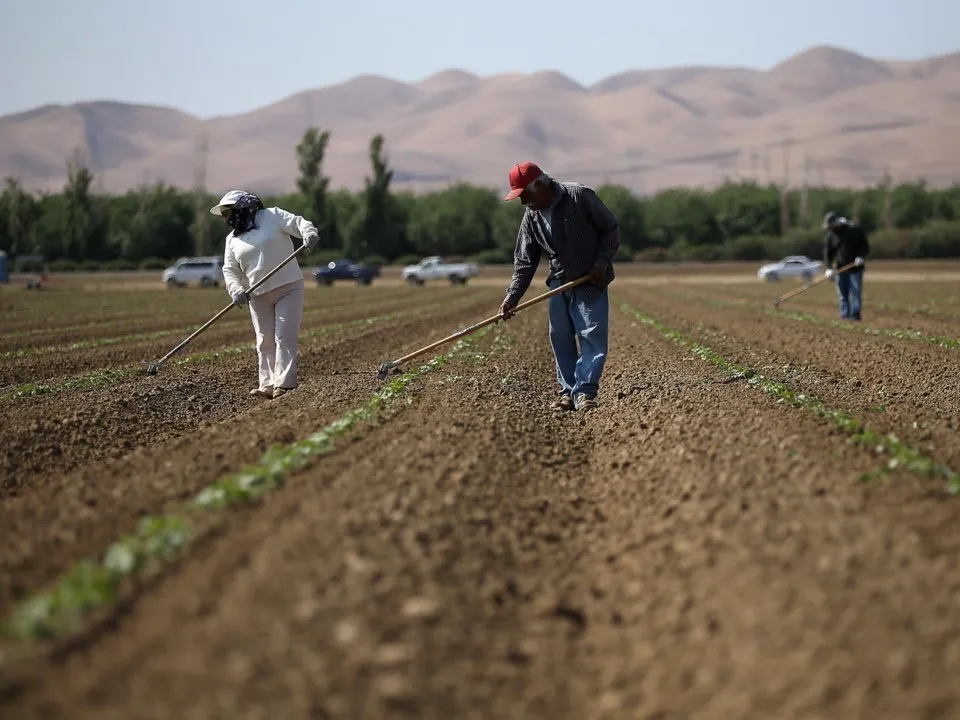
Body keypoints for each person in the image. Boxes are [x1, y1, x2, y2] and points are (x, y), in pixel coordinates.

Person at [498, 162, 620, 412]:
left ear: (541, 185)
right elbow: (525, 261)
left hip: (590, 280)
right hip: (559, 281)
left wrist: (600, 264)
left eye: (525, 195)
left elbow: (610, 229)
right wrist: (512, 297)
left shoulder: (579, 196)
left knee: (591, 335)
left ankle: (584, 392)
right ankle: (568, 391)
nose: (524, 203)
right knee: (560, 337)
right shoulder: (531, 215)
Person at [212, 190, 319, 399]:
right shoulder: (231, 240)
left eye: (228, 212)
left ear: (243, 207)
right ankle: (267, 384)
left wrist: (309, 233)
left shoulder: (273, 216)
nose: (226, 218)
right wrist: (236, 290)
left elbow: (298, 223)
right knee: (264, 340)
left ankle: (285, 384)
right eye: (224, 215)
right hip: (257, 294)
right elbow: (230, 270)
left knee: (284, 336)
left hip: (288, 287)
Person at [822, 211, 869, 321]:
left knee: (855, 293)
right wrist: (828, 268)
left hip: (855, 268)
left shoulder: (853, 230)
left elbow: (865, 245)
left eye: (831, 226)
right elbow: (827, 252)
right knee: (843, 294)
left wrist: (861, 256)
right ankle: (844, 315)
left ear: (836, 223)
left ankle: (855, 315)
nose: (830, 229)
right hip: (840, 269)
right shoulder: (831, 235)